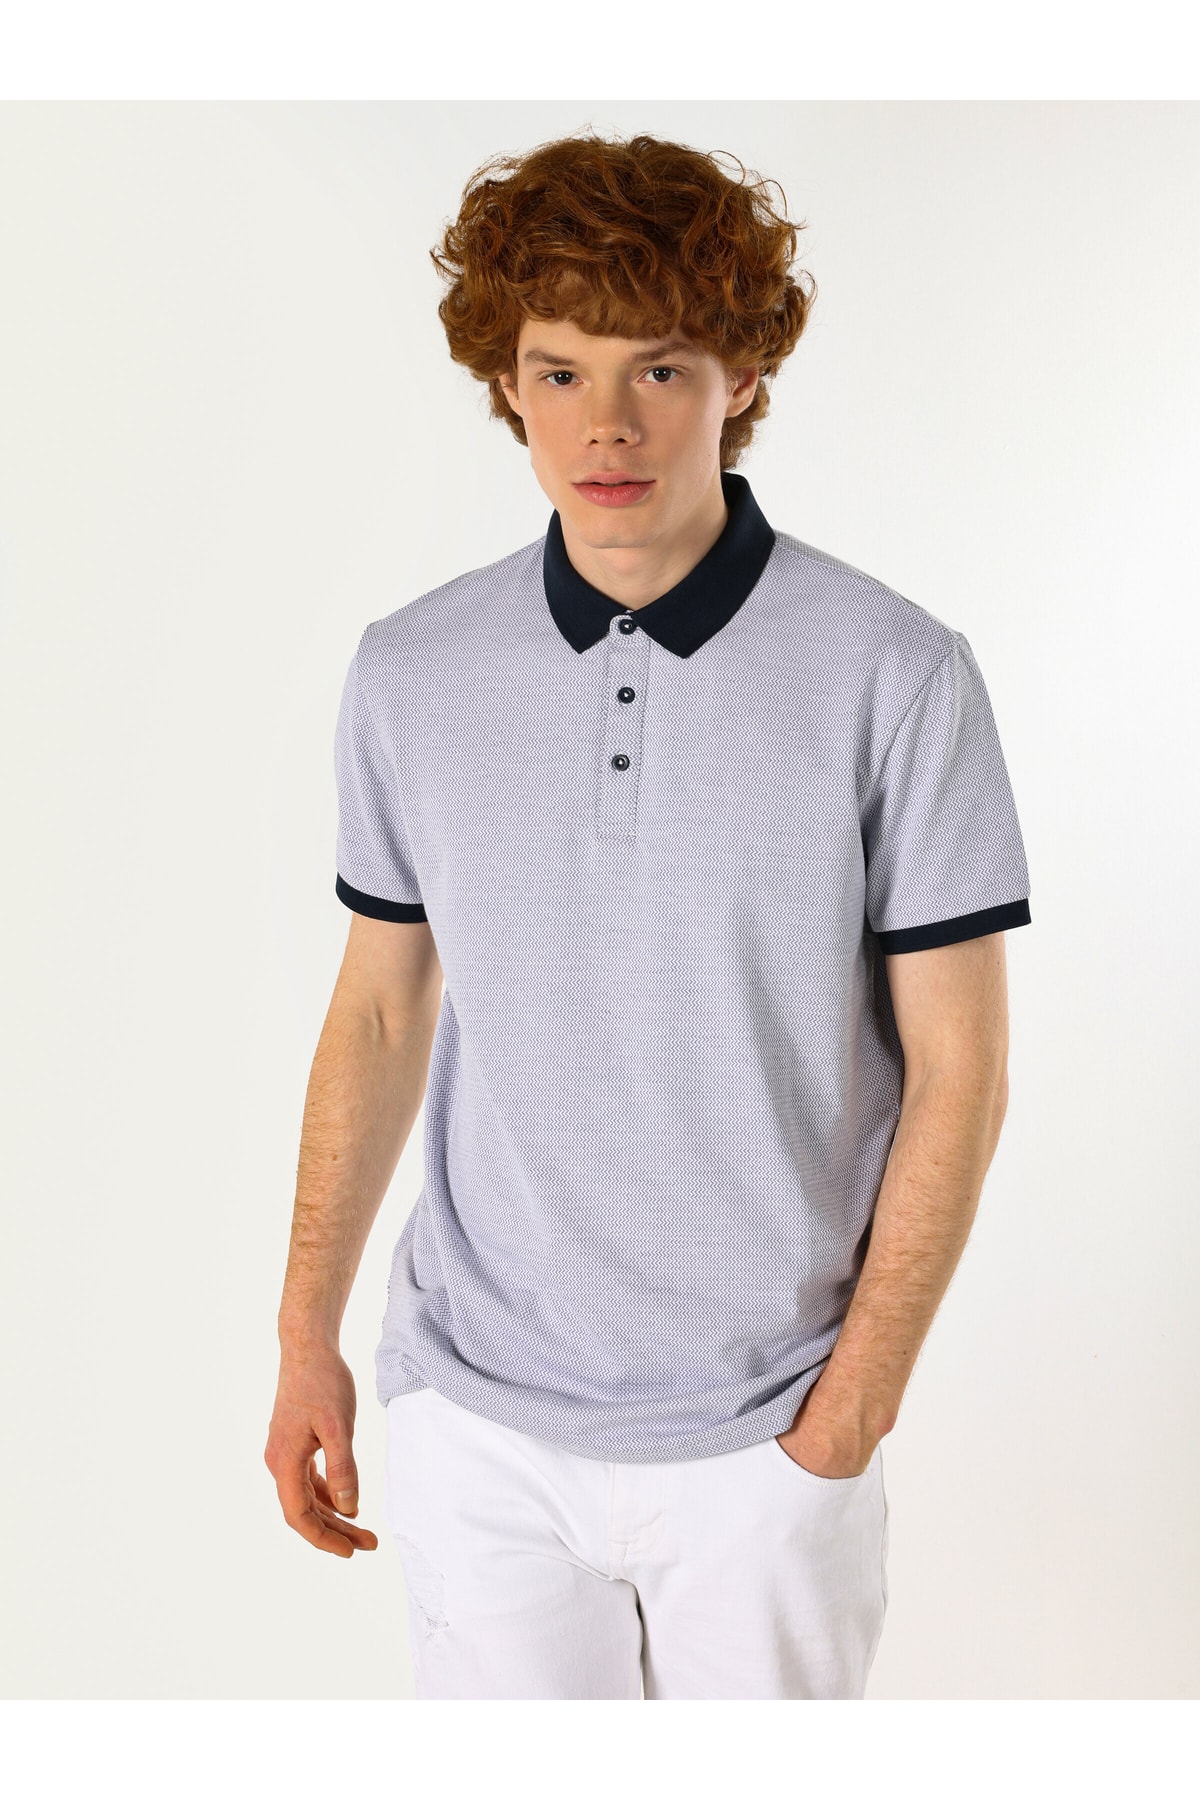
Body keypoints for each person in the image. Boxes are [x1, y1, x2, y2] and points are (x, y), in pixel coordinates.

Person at [264, 129, 1032, 1700]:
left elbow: (959, 1069)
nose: (605, 424)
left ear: (742, 376)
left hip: (767, 1432)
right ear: (508, 383)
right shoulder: (412, 671)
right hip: (478, 1419)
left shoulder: (896, 673)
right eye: (559, 372)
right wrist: (305, 1335)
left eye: (660, 370)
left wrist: (852, 1411)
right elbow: (381, 1010)